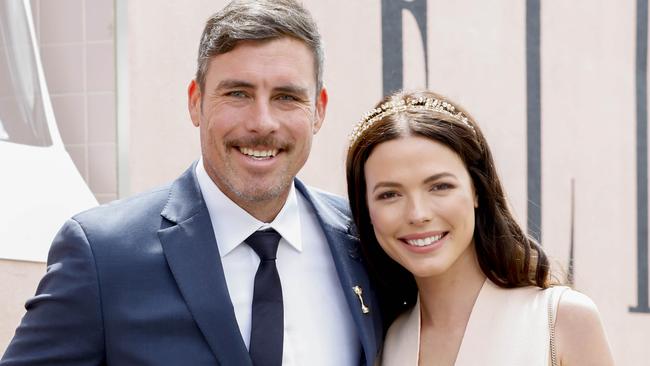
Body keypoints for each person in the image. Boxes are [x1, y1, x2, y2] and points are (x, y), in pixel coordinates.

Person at [1, 1, 382, 365]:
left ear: (318, 110)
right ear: (195, 101)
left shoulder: (366, 240)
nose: (262, 122)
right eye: (238, 93)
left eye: (286, 97)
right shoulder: (102, 255)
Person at [345, 90, 614, 365]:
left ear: (477, 190)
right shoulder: (383, 342)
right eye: (390, 194)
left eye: (440, 186)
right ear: (365, 208)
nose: (418, 214)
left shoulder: (560, 320)